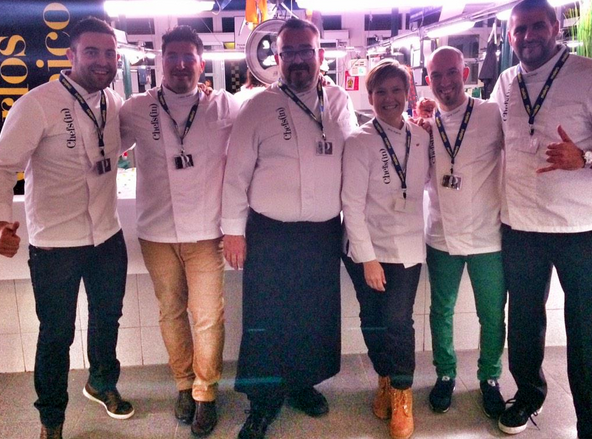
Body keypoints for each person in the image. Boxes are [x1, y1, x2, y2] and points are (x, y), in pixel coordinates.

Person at [222, 18, 357, 439]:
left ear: (320, 55)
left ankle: (301, 385)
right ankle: (263, 402)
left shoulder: (339, 101)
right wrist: (233, 231)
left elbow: (356, 156)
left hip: (321, 234)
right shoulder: (258, 106)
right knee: (267, 319)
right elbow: (235, 173)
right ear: (277, 58)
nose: (298, 59)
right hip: (270, 233)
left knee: (314, 316)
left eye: (305, 51)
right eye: (289, 52)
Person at [0, 17, 133, 439]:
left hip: (107, 235)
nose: (103, 61)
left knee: (107, 319)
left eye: (109, 53)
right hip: (55, 243)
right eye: (92, 52)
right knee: (56, 335)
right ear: (71, 54)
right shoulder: (37, 104)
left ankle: (102, 383)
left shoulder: (113, 101)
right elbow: (3, 165)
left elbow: (124, 142)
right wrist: (1, 220)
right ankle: (51, 420)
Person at [120, 25, 239, 437]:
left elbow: (255, 145)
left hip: (206, 231)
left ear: (201, 64)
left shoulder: (223, 105)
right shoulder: (136, 108)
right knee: (170, 311)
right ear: (161, 62)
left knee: (207, 316)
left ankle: (206, 393)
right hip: (156, 231)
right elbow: (102, 145)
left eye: (189, 57)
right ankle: (184, 385)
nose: (181, 65)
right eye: (173, 56)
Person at [490, 0, 592, 437]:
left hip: (578, 227)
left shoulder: (587, 74)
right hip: (520, 224)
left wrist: (584, 157)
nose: (528, 36)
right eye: (519, 29)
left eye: (536, 26)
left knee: (584, 328)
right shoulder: (506, 81)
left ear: (555, 25)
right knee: (524, 321)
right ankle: (528, 394)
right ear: (510, 35)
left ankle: (588, 419)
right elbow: (489, 136)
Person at [342, 59, 430, 439]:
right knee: (372, 319)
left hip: (407, 247)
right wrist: (369, 260)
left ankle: (402, 393)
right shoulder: (359, 141)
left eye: (396, 90)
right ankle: (384, 379)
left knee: (397, 321)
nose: (389, 98)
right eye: (381, 92)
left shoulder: (422, 137)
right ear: (370, 96)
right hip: (367, 247)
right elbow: (351, 205)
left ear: (408, 93)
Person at [421, 46, 506, 419]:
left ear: (465, 73)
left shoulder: (491, 113)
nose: (445, 82)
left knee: (492, 313)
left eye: (451, 72)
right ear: (429, 80)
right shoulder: (425, 125)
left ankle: (490, 377)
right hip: (441, 233)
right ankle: (445, 374)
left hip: (488, 234)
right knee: (441, 310)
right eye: (436, 75)